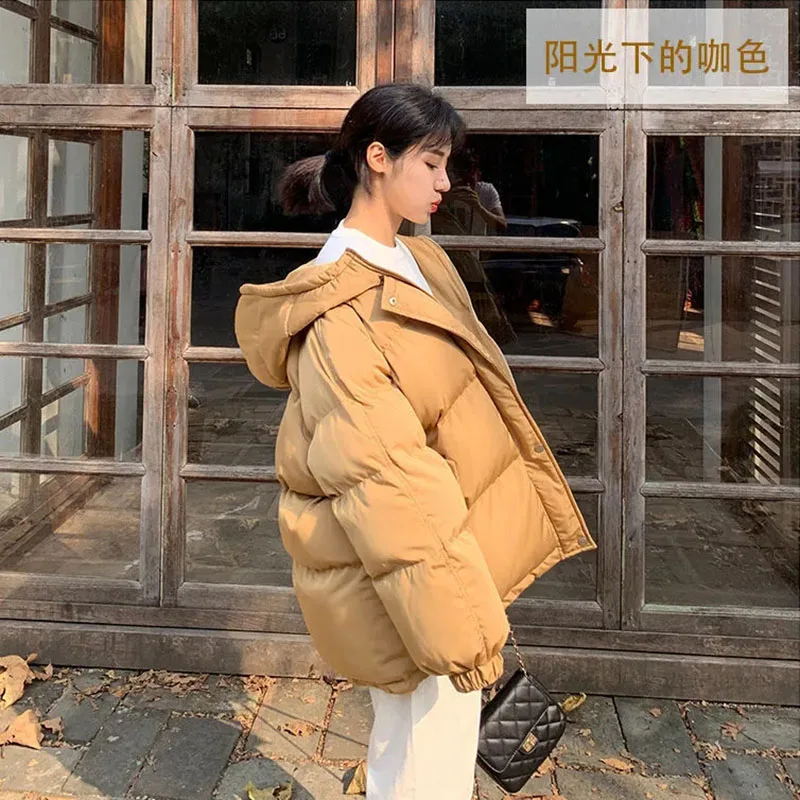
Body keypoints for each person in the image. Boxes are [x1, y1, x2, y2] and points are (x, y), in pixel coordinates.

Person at [234, 83, 595, 800]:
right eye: (431, 163)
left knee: (413, 748)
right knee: (428, 756)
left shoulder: (418, 261)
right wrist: (460, 627)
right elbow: (385, 481)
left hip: (438, 558)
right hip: (410, 575)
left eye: (447, 164)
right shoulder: (340, 310)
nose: (446, 182)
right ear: (378, 158)